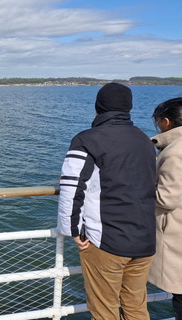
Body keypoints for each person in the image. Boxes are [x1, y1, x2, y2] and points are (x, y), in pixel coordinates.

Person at [57, 83, 156, 319]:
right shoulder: (145, 141)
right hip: (145, 240)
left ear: (98, 107)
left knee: (104, 310)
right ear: (128, 107)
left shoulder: (87, 140)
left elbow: (71, 188)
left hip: (108, 242)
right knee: (136, 306)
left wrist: (73, 231)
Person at [148, 97, 182, 319]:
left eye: (158, 120)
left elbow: (166, 198)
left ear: (166, 122)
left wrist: (138, 186)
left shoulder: (175, 151)